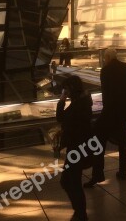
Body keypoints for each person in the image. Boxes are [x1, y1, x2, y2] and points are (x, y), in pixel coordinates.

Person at [84, 48, 126, 187]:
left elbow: (105, 92)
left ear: (107, 57)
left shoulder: (105, 70)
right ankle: (122, 172)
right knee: (123, 141)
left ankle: (97, 175)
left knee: (98, 141)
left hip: (110, 111)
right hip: (124, 111)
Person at [57, 76, 93, 221]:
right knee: (69, 181)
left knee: (71, 182)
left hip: (77, 148)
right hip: (78, 148)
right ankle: (79, 211)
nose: (65, 91)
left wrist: (61, 100)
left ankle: (81, 213)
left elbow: (61, 118)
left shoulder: (79, 104)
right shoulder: (82, 101)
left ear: (71, 88)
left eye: (66, 88)